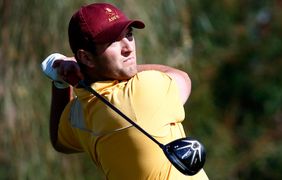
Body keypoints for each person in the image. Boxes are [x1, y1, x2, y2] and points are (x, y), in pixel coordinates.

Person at [41, 2, 208, 180]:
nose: (128, 48)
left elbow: (59, 140)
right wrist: (68, 62)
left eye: (129, 35)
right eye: (113, 42)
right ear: (86, 57)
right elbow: (180, 76)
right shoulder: (145, 89)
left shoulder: (78, 114)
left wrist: (60, 81)